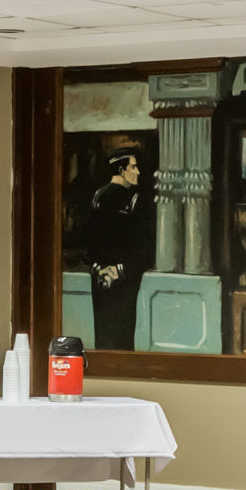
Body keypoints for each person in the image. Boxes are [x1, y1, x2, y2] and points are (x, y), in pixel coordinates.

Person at [80, 148, 149, 352]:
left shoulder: (100, 197)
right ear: (121, 170)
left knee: (114, 338)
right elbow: (91, 241)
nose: (138, 172)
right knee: (112, 338)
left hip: (114, 279)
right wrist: (107, 269)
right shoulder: (123, 199)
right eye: (133, 167)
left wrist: (108, 269)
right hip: (112, 279)